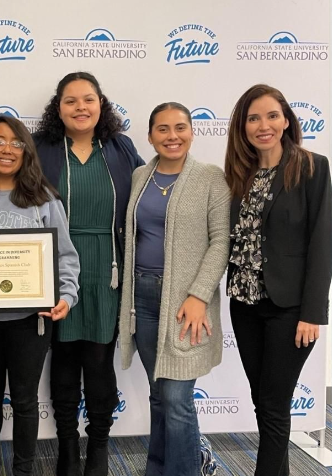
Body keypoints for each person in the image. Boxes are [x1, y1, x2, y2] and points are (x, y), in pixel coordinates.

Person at [0, 115, 80, 476]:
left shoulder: (44, 197)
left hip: (31, 320)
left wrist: (66, 296)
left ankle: (24, 467)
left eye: (16, 142)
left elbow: (65, 255)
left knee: (24, 399)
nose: (7, 149)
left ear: (26, 151)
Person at [33, 71, 144, 476]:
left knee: (99, 363)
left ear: (101, 105)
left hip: (106, 269)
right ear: (57, 107)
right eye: (71, 100)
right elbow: (5, 184)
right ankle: (67, 449)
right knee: (62, 362)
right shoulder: (41, 148)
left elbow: (150, 195)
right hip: (54, 267)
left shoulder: (120, 147)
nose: (80, 107)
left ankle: (98, 448)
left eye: (88, 99)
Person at [224, 84, 332, 476]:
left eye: (271, 115)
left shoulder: (312, 167)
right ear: (243, 126)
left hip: (290, 308)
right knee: (266, 402)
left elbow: (322, 242)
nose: (263, 125)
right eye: (253, 118)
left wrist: (313, 313)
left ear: (286, 119)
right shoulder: (239, 174)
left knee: (273, 404)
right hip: (244, 305)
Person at [119, 103, 230, 476]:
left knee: (177, 398)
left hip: (186, 303)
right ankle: (160, 468)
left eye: (180, 127)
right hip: (143, 299)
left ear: (192, 132)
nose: (172, 136)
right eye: (163, 129)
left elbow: (221, 242)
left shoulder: (210, 177)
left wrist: (199, 295)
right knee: (158, 394)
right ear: (150, 136)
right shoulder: (140, 176)